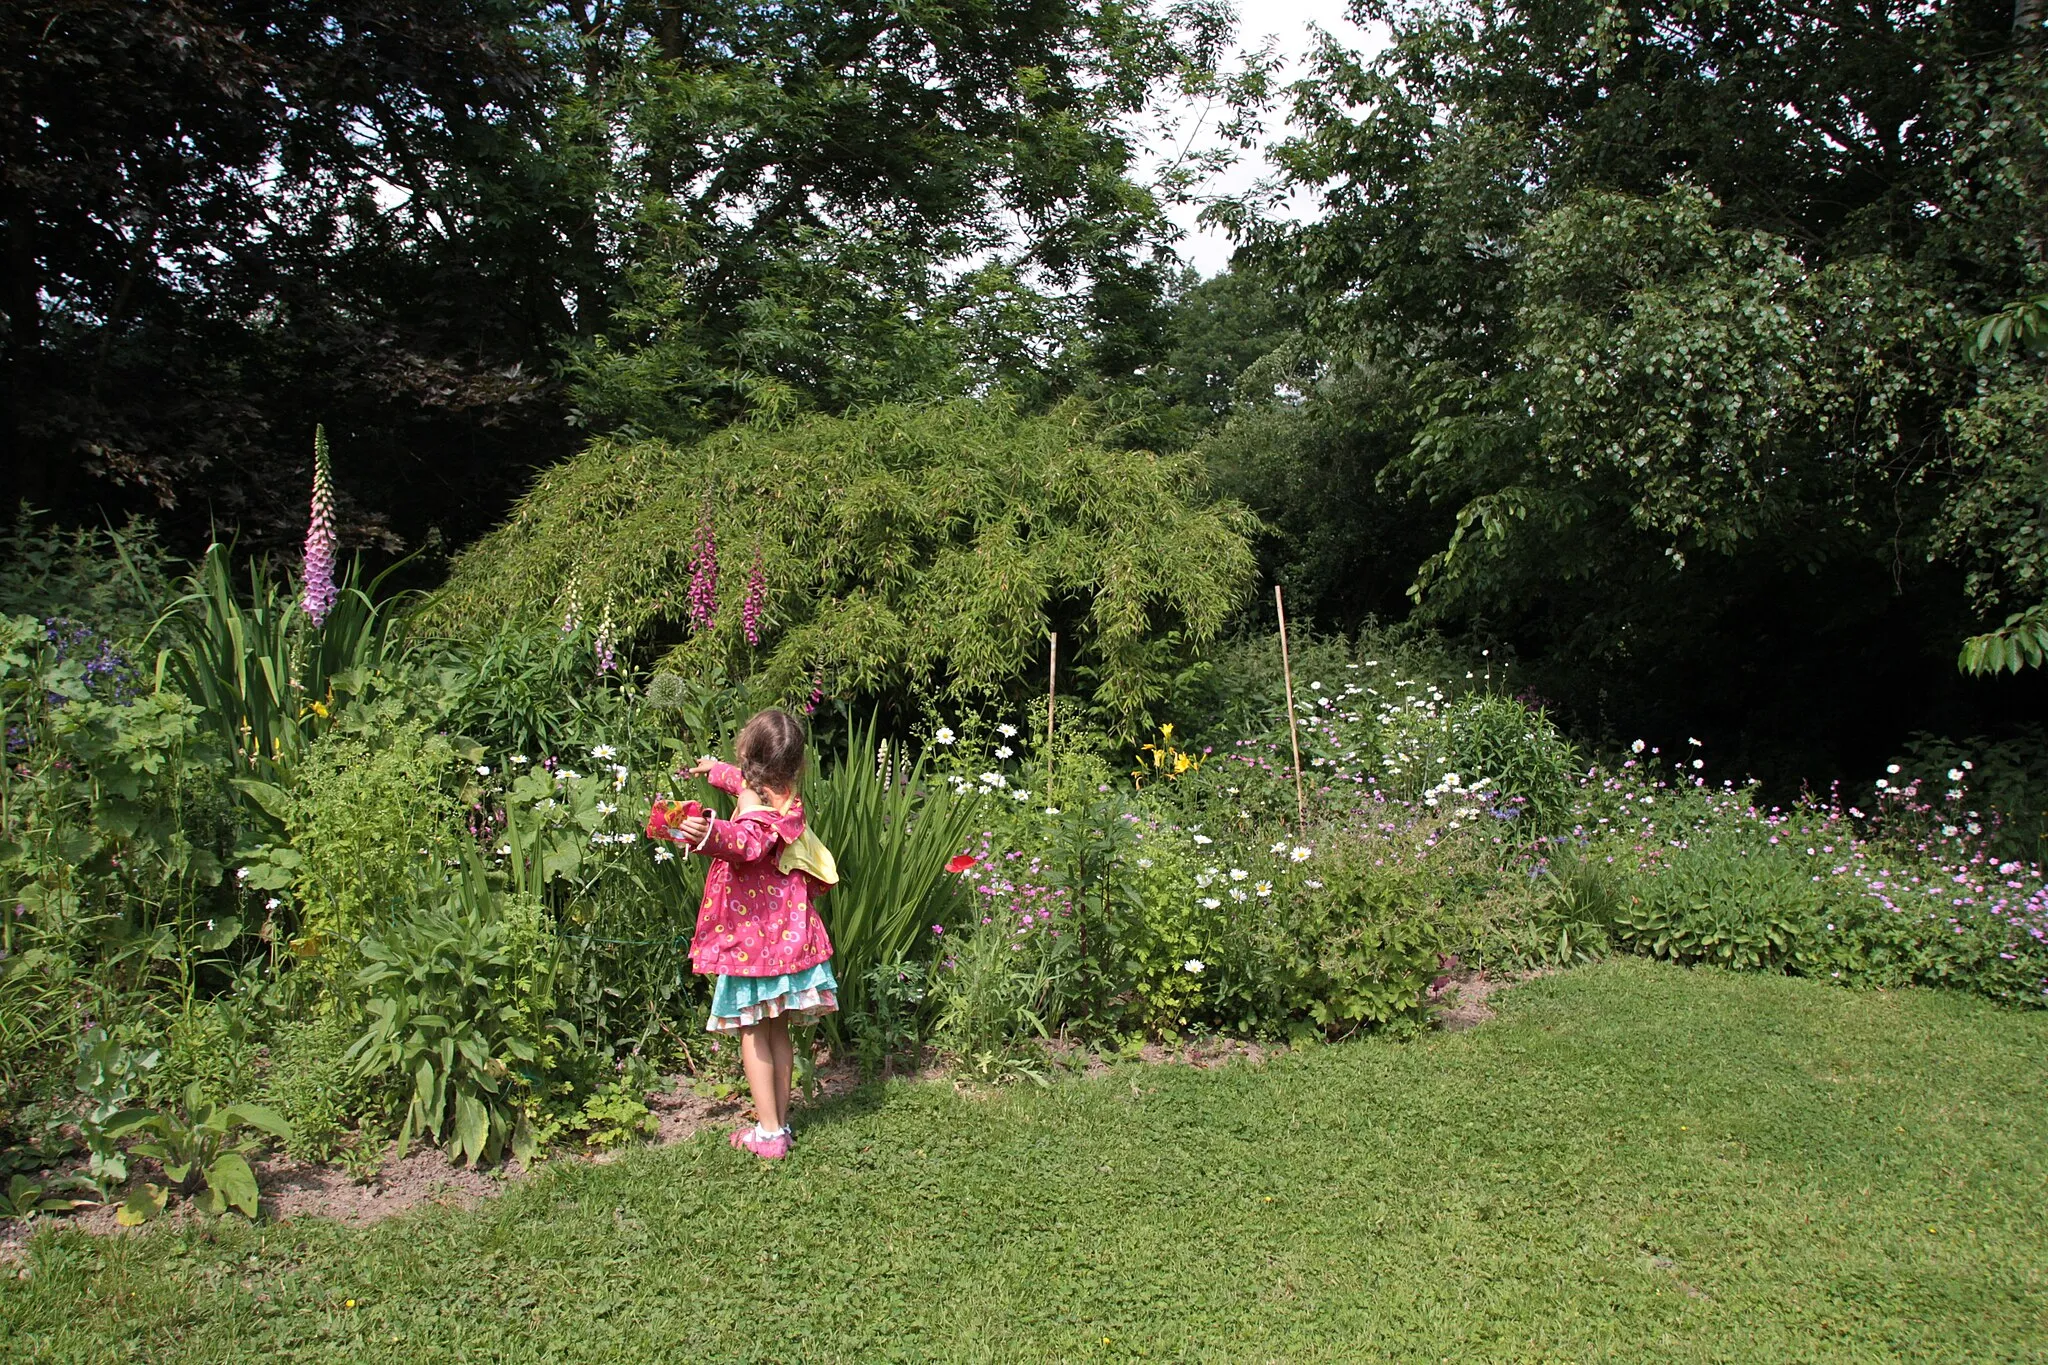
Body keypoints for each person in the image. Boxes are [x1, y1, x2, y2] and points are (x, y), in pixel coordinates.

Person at [664, 708, 837, 1160]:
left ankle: (767, 1134)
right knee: (776, 1029)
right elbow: (741, 781)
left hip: (752, 941)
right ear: (794, 766)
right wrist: (712, 770)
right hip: (783, 937)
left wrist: (706, 832)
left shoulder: (757, 814)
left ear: (747, 751)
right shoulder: (784, 795)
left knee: (751, 1031)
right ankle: (778, 1121)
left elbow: (744, 842)